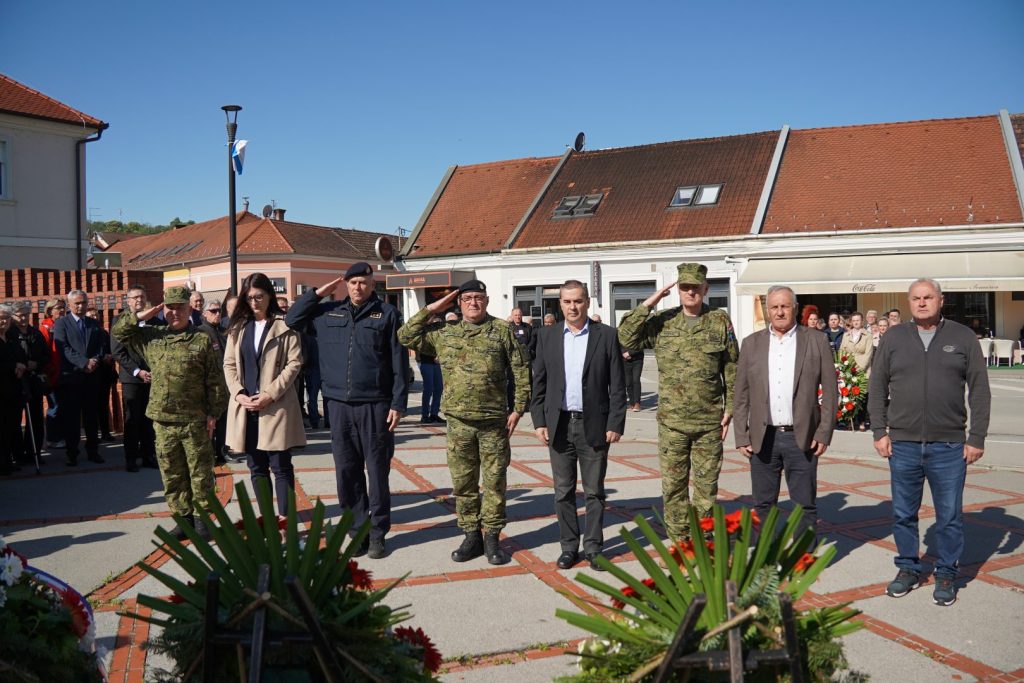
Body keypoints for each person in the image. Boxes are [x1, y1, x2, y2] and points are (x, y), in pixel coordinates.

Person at [869, 278, 990, 607]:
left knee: (948, 515)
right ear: (909, 302)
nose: (922, 303)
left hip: (949, 446)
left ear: (941, 300)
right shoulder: (894, 337)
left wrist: (976, 437)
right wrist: (879, 431)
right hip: (903, 444)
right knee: (903, 513)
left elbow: (979, 390)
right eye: (916, 298)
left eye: (928, 297)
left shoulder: (962, 337)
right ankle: (908, 568)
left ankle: (946, 573)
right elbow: (877, 385)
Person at [398, 280, 530, 565]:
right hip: (458, 423)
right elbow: (405, 335)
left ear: (487, 300)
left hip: (494, 422)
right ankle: (471, 536)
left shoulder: (502, 330)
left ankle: (492, 537)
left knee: (495, 483)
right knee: (463, 483)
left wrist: (519, 409)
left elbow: (521, 370)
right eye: (467, 298)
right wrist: (433, 307)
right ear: (459, 302)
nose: (473, 303)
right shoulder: (445, 332)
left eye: (478, 298)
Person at [286, 262, 409, 559]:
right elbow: (292, 318)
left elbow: (399, 361)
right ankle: (356, 531)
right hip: (338, 405)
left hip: (376, 404)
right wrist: (318, 293)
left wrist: (398, 404)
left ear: (372, 284)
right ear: (345, 284)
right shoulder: (328, 313)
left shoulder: (388, 314)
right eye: (352, 282)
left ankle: (377, 533)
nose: (358, 287)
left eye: (363, 282)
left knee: (377, 472)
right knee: (347, 471)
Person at [618, 263, 739, 542]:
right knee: (674, 487)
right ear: (678, 289)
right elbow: (626, 336)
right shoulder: (664, 321)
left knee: (706, 488)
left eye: (696, 287)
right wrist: (649, 303)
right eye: (685, 287)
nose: (690, 292)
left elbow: (732, 366)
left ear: (705, 289)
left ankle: (703, 540)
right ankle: (680, 542)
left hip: (709, 421)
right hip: (672, 423)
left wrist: (731, 408)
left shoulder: (719, 321)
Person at [112, 286, 229, 538]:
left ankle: (202, 521)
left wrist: (214, 413)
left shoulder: (202, 339)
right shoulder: (152, 336)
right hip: (163, 419)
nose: (175, 313)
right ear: (163, 309)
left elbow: (216, 380)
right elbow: (119, 332)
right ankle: (183, 520)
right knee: (172, 473)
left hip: (195, 419)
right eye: (170, 308)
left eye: (180, 308)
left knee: (200, 473)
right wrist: (142, 315)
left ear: (189, 309)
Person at [531, 280, 625, 570]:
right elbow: (539, 382)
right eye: (567, 301)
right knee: (563, 491)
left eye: (578, 301)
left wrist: (616, 422)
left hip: (593, 424)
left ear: (587, 302)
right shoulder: (546, 336)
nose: (573, 307)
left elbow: (617, 385)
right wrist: (539, 420)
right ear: (560, 303)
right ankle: (569, 547)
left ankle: (594, 547)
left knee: (594, 491)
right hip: (559, 424)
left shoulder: (606, 335)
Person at [733, 286, 837, 539]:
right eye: (774, 307)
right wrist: (741, 435)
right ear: (767, 310)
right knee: (763, 504)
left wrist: (824, 432)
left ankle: (802, 556)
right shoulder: (751, 344)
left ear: (795, 308)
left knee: (804, 505)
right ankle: (766, 554)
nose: (779, 312)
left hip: (801, 437)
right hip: (763, 437)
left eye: (785, 306)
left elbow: (831, 391)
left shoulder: (816, 340)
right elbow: (741, 393)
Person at [225, 274, 306, 517]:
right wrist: (238, 393)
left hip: (275, 406)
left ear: (270, 295)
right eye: (249, 298)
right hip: (247, 406)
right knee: (256, 467)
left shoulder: (285, 326)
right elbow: (229, 364)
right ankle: (268, 519)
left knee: (280, 465)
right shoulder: (238, 328)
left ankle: (285, 520)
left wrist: (270, 394)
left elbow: (294, 363)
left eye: (259, 296)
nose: (254, 302)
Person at [52, 290, 105, 466]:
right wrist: (84, 363)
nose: (81, 306)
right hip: (72, 378)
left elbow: (100, 345)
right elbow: (64, 348)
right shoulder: (62, 323)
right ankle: (72, 453)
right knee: (72, 418)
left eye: (83, 303)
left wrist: (94, 360)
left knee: (91, 417)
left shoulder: (93, 323)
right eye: (77, 303)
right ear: (69, 305)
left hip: (91, 377)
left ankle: (93, 451)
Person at [111, 285, 160, 472]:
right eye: (135, 297)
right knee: (132, 419)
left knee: (149, 419)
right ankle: (131, 458)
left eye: (142, 297)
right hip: (132, 378)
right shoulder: (119, 321)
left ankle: (148, 455)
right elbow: (117, 352)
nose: (139, 300)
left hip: (152, 378)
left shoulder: (154, 320)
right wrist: (137, 371)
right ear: (128, 300)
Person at [12, 301, 49, 466]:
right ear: (13, 316)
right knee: (14, 419)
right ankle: (17, 453)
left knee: (36, 418)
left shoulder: (36, 333)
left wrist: (37, 363)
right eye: (20, 315)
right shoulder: (10, 334)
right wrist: (22, 364)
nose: (23, 318)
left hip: (34, 380)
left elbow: (46, 355)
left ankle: (34, 451)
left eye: (26, 315)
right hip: (17, 380)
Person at [198, 298, 229, 465]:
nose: (217, 314)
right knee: (210, 422)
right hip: (209, 385)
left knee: (223, 420)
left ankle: (222, 451)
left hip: (224, 384)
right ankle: (209, 454)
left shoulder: (223, 331)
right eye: (213, 311)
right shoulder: (201, 332)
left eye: (219, 311)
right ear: (204, 313)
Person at [0, 305, 29, 474]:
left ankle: (9, 460)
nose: (4, 321)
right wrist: (13, 366)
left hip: (14, 388)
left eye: (6, 318)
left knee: (12, 426)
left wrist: (21, 365)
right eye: (1, 318)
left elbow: (22, 355)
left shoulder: (12, 336)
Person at [85, 305, 117, 442]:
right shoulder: (85, 332)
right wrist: (101, 356)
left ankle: (105, 432)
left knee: (103, 404)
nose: (95, 317)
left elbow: (111, 348)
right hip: (91, 373)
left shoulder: (103, 332)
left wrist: (110, 355)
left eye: (96, 315)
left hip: (105, 373)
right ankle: (92, 435)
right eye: (91, 315)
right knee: (91, 406)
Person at [838, 311, 874, 431]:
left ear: (862, 321)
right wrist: (845, 365)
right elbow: (842, 351)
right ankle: (851, 420)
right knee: (849, 395)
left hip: (862, 370)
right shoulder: (846, 335)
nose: (856, 322)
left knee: (862, 396)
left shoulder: (868, 335)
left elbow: (868, 353)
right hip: (849, 368)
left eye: (858, 320)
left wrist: (859, 367)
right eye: (853, 321)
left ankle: (862, 420)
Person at [39, 298, 67, 449]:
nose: (62, 310)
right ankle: (52, 439)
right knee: (54, 407)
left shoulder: (63, 325)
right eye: (58, 308)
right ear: (50, 310)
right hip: (52, 375)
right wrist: (50, 370)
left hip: (65, 373)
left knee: (62, 406)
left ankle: (61, 436)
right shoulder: (45, 328)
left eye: (63, 307)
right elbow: (43, 353)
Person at [416, 315, 444, 424]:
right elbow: (418, 344)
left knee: (439, 388)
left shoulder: (439, 333)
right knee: (428, 389)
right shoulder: (424, 330)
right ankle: (424, 415)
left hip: (437, 364)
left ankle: (434, 414)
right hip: (426, 362)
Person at [622, 344, 644, 412]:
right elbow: (617, 345)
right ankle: (632, 403)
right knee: (628, 383)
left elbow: (641, 345)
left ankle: (637, 403)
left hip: (637, 360)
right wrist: (623, 353)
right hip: (625, 360)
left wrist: (629, 353)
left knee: (636, 380)